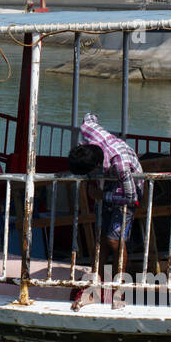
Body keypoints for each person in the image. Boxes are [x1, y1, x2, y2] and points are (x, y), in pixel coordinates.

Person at [66, 113, 142, 307]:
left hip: (130, 185)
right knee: (101, 240)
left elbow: (132, 197)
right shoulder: (87, 131)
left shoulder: (120, 164)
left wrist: (101, 196)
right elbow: (90, 116)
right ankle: (94, 290)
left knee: (114, 241)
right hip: (109, 183)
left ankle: (119, 292)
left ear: (96, 167)